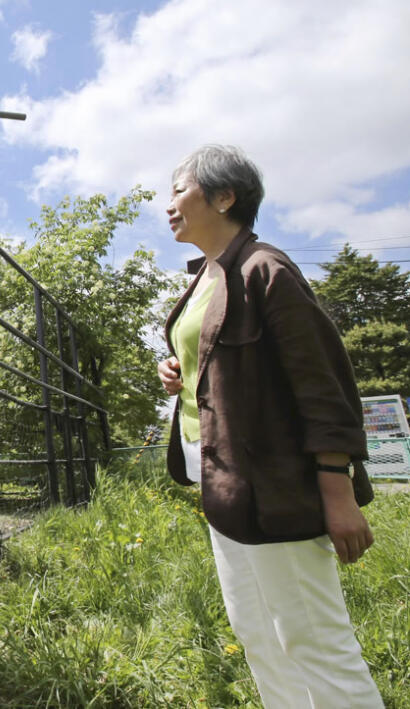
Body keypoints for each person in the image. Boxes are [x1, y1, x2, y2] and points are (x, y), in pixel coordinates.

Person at [158, 144, 383, 708]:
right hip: (225, 486)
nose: (170, 205)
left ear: (224, 196)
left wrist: (337, 492)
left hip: (275, 487)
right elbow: (219, 360)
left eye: (180, 190)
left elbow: (322, 385)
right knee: (257, 633)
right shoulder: (206, 276)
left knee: (313, 639)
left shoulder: (265, 268)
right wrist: (180, 372)